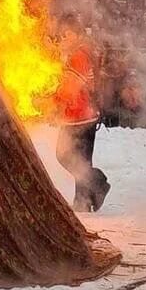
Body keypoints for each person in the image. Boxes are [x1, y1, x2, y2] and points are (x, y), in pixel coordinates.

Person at [54, 35, 109, 212]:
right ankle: (83, 202)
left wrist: (51, 101)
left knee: (66, 157)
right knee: (82, 160)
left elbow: (69, 89)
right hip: (84, 115)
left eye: (65, 34)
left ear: (74, 34)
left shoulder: (78, 56)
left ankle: (98, 182)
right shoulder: (85, 52)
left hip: (79, 117)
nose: (62, 38)